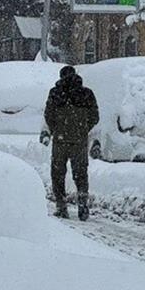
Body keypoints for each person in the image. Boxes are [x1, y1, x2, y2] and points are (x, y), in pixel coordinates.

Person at [41, 65, 99, 221]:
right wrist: (83, 129)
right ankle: (82, 203)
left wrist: (56, 129)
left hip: (60, 142)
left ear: (61, 77)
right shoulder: (86, 93)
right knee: (80, 173)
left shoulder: (55, 93)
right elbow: (95, 117)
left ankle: (61, 206)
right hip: (79, 141)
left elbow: (48, 115)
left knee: (58, 173)